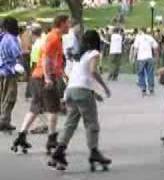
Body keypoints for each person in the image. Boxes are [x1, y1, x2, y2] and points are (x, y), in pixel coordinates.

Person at [48, 30, 112, 171]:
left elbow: (80, 78)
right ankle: (94, 152)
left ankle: (59, 151)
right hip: (81, 92)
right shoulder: (94, 54)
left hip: (71, 91)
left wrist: (94, 94)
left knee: (70, 124)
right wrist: (105, 87)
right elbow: (93, 72)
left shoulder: (79, 56)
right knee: (91, 123)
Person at [11, 15, 70, 155]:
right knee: (53, 108)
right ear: (61, 24)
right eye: (67, 24)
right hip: (44, 78)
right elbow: (46, 58)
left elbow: (54, 60)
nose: (69, 26)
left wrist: (62, 73)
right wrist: (49, 78)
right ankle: (51, 139)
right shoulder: (53, 37)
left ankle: (21, 136)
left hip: (39, 77)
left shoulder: (55, 37)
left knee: (35, 108)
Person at [0, 16, 23, 131]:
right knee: (10, 97)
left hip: (1, 70)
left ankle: (5, 119)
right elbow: (17, 54)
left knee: (2, 96)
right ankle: (4, 120)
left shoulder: (2, 37)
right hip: (10, 71)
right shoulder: (12, 39)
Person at [133, 27, 159, 96]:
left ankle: (143, 89)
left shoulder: (138, 37)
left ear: (141, 31)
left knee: (141, 74)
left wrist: (133, 57)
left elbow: (135, 48)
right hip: (149, 57)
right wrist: (156, 57)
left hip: (141, 58)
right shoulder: (150, 37)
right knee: (150, 73)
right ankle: (151, 88)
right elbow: (156, 46)